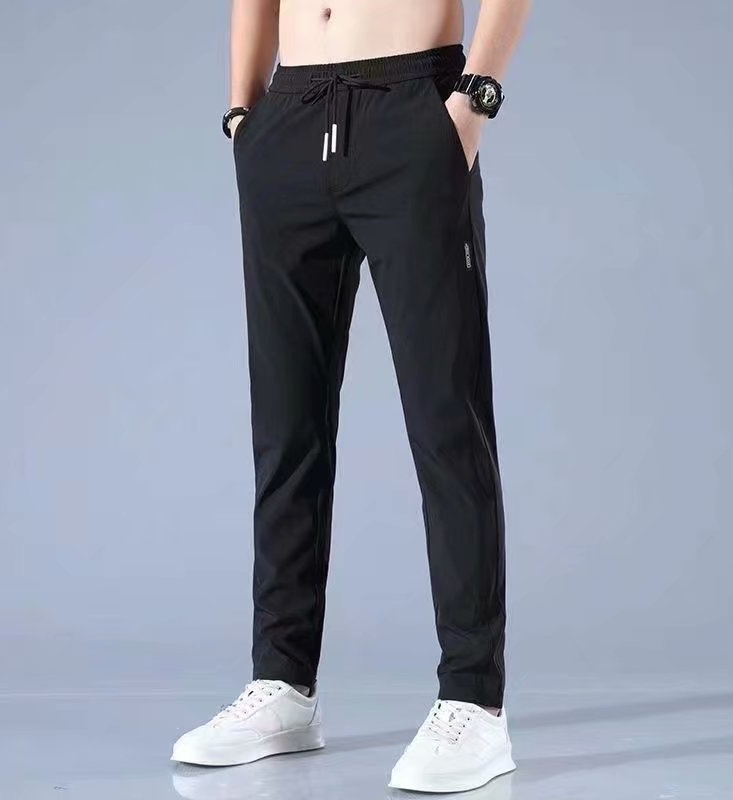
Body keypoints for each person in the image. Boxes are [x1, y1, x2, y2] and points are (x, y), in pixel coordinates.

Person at [172, 0, 531, 792]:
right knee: (286, 425)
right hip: (288, 115)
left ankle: (474, 699)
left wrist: (473, 103)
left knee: (447, 420)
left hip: (412, 110)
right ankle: (282, 683)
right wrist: (244, 115)